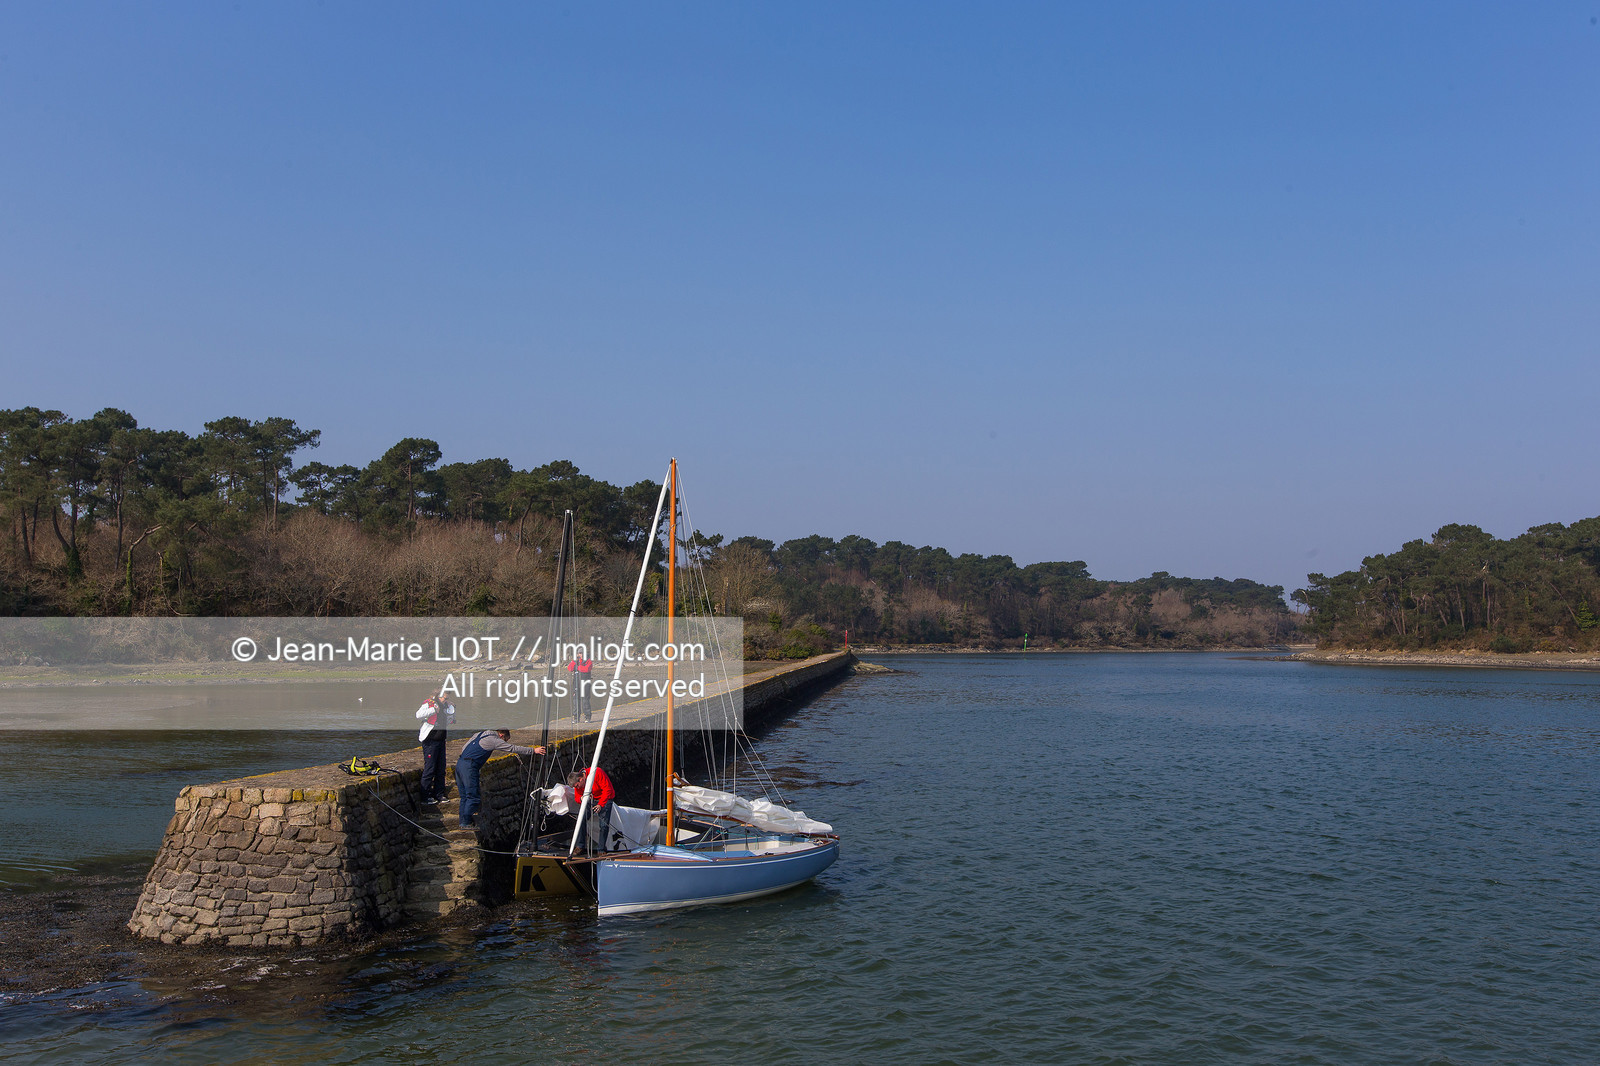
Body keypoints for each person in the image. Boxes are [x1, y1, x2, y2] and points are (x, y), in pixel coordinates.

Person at [455, 729, 546, 829]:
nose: (504, 743)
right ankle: (466, 823)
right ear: (501, 735)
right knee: (473, 797)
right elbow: (512, 748)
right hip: (469, 767)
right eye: (505, 740)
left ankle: (463, 821)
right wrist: (533, 750)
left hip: (460, 763)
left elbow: (464, 747)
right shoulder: (493, 740)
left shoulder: (480, 734)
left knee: (464, 796)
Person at [415, 691, 456, 803]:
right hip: (430, 741)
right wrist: (433, 710)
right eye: (445, 698)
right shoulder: (429, 704)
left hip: (441, 740)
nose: (446, 700)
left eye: (447, 698)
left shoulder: (446, 706)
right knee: (430, 768)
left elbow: (450, 717)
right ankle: (425, 796)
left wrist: (451, 708)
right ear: (438, 696)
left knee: (441, 769)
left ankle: (439, 794)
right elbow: (418, 715)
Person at [567, 766, 616, 851]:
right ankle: (580, 846)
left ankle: (601, 849)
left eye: (577, 786)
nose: (578, 788)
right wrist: (581, 799)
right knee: (581, 820)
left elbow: (607, 790)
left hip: (605, 798)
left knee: (603, 825)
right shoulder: (578, 784)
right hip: (591, 799)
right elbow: (577, 797)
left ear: (580, 779)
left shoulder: (597, 772)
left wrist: (600, 804)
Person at [566, 656, 594, 721]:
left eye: (581, 653)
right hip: (576, 684)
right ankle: (576, 718)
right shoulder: (575, 661)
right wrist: (573, 661)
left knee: (585, 700)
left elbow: (587, 669)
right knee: (576, 700)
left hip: (585, 683)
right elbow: (570, 668)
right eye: (579, 653)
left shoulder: (588, 661)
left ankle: (587, 717)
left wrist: (578, 667)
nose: (580, 655)